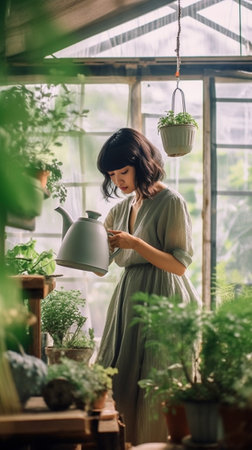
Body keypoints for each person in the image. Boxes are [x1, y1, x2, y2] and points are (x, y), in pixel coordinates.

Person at [96, 128, 201, 445]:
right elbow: (102, 267)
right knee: (120, 378)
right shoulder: (120, 209)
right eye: (112, 175)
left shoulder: (171, 202)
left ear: (142, 163)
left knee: (157, 381)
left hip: (162, 297)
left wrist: (135, 243)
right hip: (128, 298)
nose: (118, 181)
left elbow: (179, 265)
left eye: (123, 171)